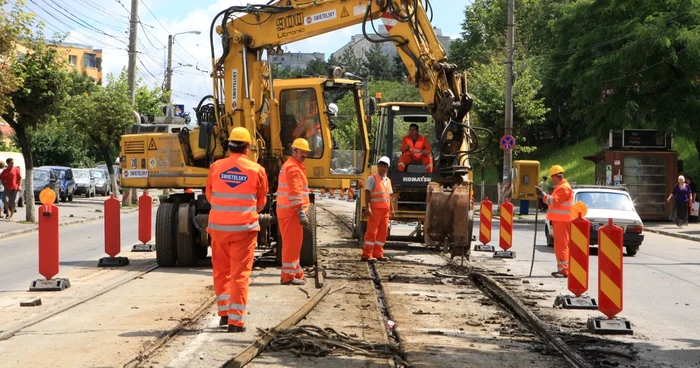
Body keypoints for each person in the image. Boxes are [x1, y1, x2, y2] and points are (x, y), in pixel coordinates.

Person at [205, 127, 269, 333]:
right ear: (248, 147)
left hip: (218, 230)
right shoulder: (256, 170)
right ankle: (236, 320)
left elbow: (210, 196)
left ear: (229, 146)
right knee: (239, 274)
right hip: (244, 230)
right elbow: (261, 203)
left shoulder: (216, 167)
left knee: (221, 271)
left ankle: (224, 313)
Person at [277, 138, 312, 286]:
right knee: (291, 245)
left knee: (294, 245)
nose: (304, 154)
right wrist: (301, 212)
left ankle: (296, 272)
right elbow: (296, 192)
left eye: (305, 152)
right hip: (292, 213)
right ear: (294, 151)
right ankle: (288, 276)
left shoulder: (292, 166)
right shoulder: (293, 168)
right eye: (301, 151)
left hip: (290, 213)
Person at [535, 165, 573, 278]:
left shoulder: (564, 188)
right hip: (559, 221)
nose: (552, 179)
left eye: (553, 177)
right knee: (559, 245)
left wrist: (542, 194)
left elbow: (554, 201)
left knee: (561, 245)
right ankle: (562, 269)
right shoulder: (560, 187)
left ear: (557, 176)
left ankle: (564, 270)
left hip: (562, 221)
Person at [362, 156, 395, 262]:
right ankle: (367, 254)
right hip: (375, 210)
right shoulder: (373, 178)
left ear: (387, 168)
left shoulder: (388, 181)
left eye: (384, 166)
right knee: (372, 232)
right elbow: (367, 192)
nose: (382, 168)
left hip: (385, 211)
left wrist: (392, 209)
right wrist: (368, 208)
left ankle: (378, 254)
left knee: (382, 233)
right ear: (378, 166)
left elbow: (389, 196)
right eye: (380, 166)